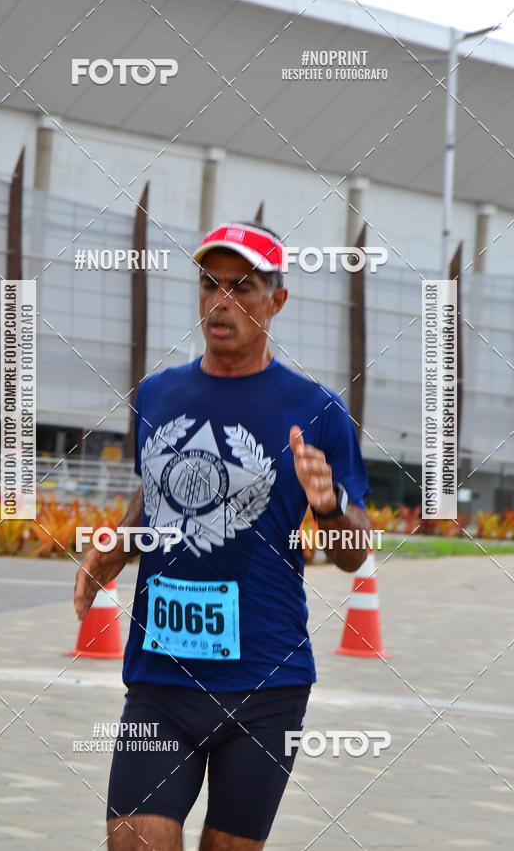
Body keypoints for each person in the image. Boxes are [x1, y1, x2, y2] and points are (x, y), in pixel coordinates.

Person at [74, 221, 371, 850]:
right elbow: (152, 495)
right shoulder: (156, 393)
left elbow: (355, 555)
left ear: (277, 300)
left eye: (242, 287)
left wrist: (331, 505)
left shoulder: (317, 411)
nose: (221, 301)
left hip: (265, 681)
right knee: (134, 838)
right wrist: (116, 546)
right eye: (209, 283)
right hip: (162, 675)